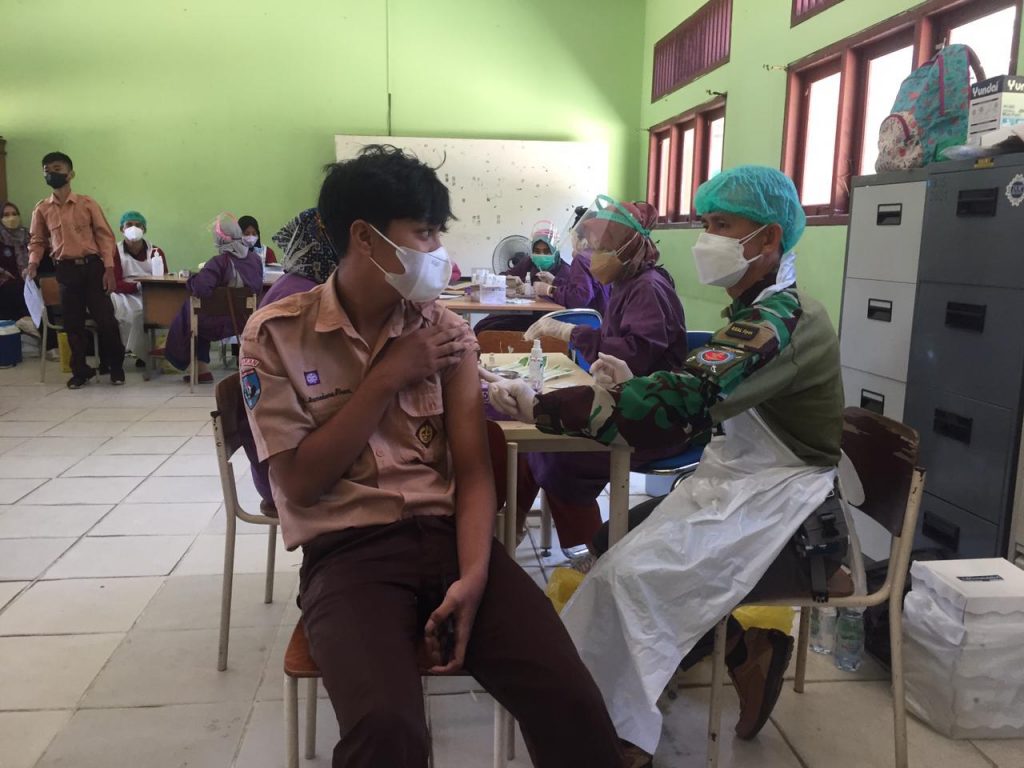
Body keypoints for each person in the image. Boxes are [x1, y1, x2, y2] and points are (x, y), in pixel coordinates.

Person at [240, 144, 624, 768]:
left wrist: (473, 577)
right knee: (387, 730)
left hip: (451, 541)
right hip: (349, 556)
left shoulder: (444, 332)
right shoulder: (277, 334)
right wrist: (387, 377)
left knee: (572, 699)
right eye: (424, 232)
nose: (438, 249)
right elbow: (301, 484)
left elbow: (473, 472)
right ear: (364, 238)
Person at [488, 166, 845, 766]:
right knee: (611, 544)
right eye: (705, 223)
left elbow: (682, 402)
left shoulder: (780, 321)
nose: (707, 238)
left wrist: (541, 406)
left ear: (769, 239)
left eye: (722, 225)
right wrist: (639, 381)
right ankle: (732, 657)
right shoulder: (756, 309)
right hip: (742, 481)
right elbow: (707, 391)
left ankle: (618, 738)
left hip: (789, 506)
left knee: (628, 580)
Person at [513, 196, 688, 553]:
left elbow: (634, 353)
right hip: (630, 402)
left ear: (628, 248)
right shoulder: (626, 283)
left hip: (653, 416)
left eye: (602, 248)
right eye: (592, 247)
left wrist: (570, 332)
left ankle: (592, 557)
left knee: (558, 456)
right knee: (532, 444)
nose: (593, 256)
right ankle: (507, 528)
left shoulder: (648, 288)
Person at [24, 152, 125, 388]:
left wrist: (109, 269)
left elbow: (105, 237)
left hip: (93, 267)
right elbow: (37, 240)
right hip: (65, 270)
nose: (52, 174)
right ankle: (80, 371)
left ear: (71, 174)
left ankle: (115, 366)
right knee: (73, 324)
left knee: (106, 320)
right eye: (47, 170)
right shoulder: (42, 209)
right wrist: (33, 263)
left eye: (57, 169)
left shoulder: (87, 204)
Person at [164, 214, 262, 383]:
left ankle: (181, 357)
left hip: (220, 321)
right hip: (244, 319)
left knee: (191, 313)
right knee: (197, 313)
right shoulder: (255, 259)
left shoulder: (219, 262)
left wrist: (193, 279)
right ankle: (202, 370)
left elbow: (201, 289)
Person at [473, 219, 608, 333]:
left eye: (546, 251)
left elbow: (578, 297)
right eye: (537, 251)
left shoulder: (570, 267)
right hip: (522, 313)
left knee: (490, 329)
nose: (541, 255)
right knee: (483, 325)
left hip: (546, 318)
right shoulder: (528, 262)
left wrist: (549, 289)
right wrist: (512, 282)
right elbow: (504, 277)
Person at [109, 210, 168, 368]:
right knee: (125, 313)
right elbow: (114, 281)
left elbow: (164, 277)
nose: (133, 228)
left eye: (138, 225)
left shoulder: (155, 252)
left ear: (144, 229)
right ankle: (126, 351)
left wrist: (148, 286)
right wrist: (136, 286)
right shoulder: (114, 252)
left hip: (149, 293)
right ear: (121, 229)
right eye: (129, 225)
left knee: (151, 312)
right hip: (123, 294)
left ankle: (147, 354)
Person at [0, 201, 38, 337]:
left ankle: (45, 338)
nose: (11, 218)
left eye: (14, 214)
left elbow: (36, 257)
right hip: (5, 284)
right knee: (13, 290)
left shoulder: (28, 236)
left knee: (36, 292)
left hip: (27, 281)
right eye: (6, 215)